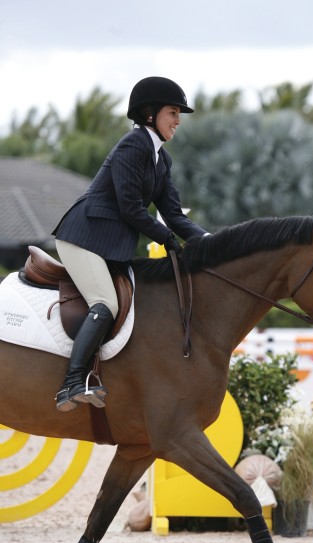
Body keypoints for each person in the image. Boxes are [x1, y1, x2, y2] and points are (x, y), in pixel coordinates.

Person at [52, 76, 208, 413]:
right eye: (173, 112)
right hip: (84, 236)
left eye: (179, 113)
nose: (178, 120)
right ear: (150, 115)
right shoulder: (133, 145)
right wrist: (164, 237)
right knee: (105, 303)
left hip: (110, 245)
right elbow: (130, 207)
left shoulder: (161, 160)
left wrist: (211, 242)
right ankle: (72, 382)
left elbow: (175, 217)